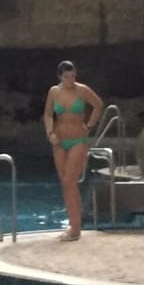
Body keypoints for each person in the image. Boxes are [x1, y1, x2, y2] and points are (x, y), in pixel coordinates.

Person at [41, 60, 104, 242]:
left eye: (73, 76)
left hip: (78, 140)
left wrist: (89, 125)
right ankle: (74, 224)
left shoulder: (82, 90)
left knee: (70, 180)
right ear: (60, 77)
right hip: (60, 141)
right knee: (67, 184)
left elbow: (98, 105)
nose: (70, 80)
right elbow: (48, 114)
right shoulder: (54, 91)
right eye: (67, 77)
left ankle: (75, 228)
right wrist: (50, 132)